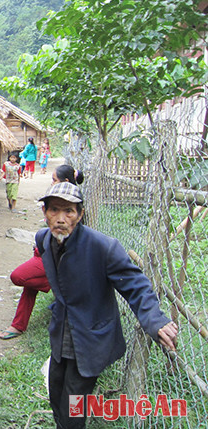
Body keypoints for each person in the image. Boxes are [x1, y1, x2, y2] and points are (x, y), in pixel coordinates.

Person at [37, 181, 178, 428]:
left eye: (69, 211)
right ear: (44, 212)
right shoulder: (43, 239)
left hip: (92, 336)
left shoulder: (103, 247)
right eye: (54, 210)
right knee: (55, 390)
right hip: (61, 332)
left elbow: (136, 285)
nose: (60, 218)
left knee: (73, 405)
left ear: (80, 215)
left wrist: (155, 321)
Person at [0, 164, 84, 340]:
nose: (51, 183)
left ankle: (54, 283)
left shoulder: (73, 209)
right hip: (43, 251)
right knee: (29, 285)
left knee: (18, 277)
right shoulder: (56, 200)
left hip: (52, 257)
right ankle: (18, 325)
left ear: (65, 182)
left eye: (54, 180)